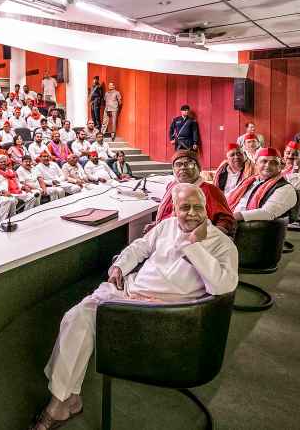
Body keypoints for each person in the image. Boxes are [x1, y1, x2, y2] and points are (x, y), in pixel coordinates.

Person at [32, 184, 238, 429]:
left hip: (164, 314)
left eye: (198, 207)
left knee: (86, 317)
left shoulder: (222, 244)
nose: (192, 213)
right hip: (128, 293)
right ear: (175, 208)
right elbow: (140, 247)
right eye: (185, 207)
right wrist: (120, 265)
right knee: (76, 317)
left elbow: (223, 287)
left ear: (207, 208)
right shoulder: (166, 226)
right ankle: (64, 400)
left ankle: (59, 405)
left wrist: (193, 245)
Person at [154, 150, 236, 236]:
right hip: (165, 237)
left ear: (199, 168)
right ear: (173, 169)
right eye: (178, 165)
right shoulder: (172, 186)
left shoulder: (210, 190)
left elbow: (227, 221)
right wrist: (156, 226)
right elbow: (166, 214)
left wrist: (206, 237)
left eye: (189, 164)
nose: (183, 167)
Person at [227, 148, 298, 222]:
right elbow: (228, 197)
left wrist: (231, 217)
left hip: (247, 227)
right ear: (256, 164)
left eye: (273, 162)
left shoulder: (286, 188)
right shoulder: (250, 181)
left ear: (280, 166)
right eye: (264, 161)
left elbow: (268, 213)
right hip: (229, 219)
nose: (268, 165)